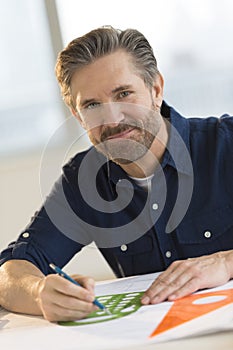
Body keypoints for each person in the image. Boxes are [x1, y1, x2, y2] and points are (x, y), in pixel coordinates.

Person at [0, 25, 233, 323]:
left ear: (156, 89)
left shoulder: (225, 145)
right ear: (78, 116)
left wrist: (226, 263)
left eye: (123, 94)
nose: (112, 119)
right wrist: (39, 292)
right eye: (93, 105)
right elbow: (11, 270)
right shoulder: (83, 180)